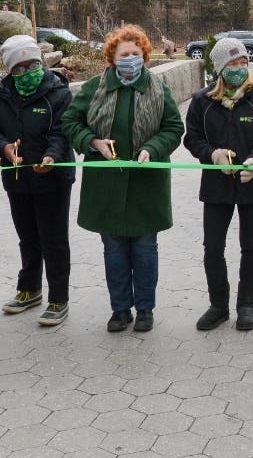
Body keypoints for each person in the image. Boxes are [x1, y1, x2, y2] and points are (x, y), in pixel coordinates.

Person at [61, 24, 185, 333]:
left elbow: (173, 128)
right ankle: (120, 309)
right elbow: (70, 121)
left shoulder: (158, 88)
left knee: (144, 250)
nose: (130, 58)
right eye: (124, 54)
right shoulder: (95, 87)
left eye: (136, 53)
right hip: (106, 187)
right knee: (114, 251)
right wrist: (93, 142)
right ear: (112, 58)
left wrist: (152, 149)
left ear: (144, 55)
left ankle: (144, 309)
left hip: (146, 186)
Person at [184, 37, 253, 332]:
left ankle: (246, 305)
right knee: (213, 246)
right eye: (233, 64)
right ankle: (218, 305)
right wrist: (211, 155)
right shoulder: (202, 101)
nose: (239, 68)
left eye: (243, 63)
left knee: (250, 245)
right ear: (220, 68)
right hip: (216, 185)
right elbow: (193, 138)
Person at [0, 35, 76, 326]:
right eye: (20, 68)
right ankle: (29, 289)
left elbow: (63, 130)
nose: (28, 71)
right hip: (16, 177)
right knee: (27, 236)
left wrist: (51, 157)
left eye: (33, 64)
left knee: (54, 238)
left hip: (53, 178)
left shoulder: (58, 91)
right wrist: (3, 147)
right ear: (10, 70)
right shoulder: (0, 94)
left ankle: (58, 298)